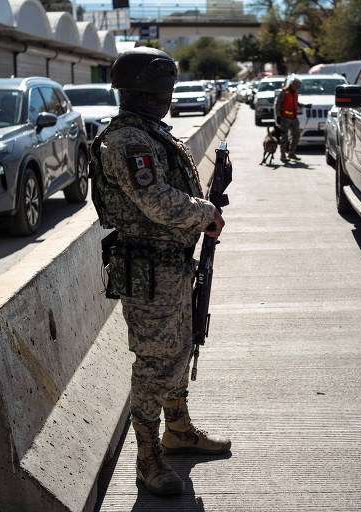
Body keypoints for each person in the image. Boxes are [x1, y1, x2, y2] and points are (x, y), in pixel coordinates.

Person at [91, 47, 231, 496]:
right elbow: (158, 203)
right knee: (155, 362)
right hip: (148, 273)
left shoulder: (148, 133)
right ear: (156, 89)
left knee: (181, 347)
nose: (170, 94)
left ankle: (178, 430)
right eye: (167, 87)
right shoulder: (129, 141)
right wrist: (206, 210)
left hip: (170, 267)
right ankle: (148, 457)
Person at [274, 77, 311, 162]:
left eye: (298, 86)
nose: (298, 87)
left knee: (296, 135)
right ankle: (283, 155)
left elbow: (295, 103)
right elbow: (278, 104)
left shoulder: (295, 93)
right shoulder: (284, 92)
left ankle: (291, 153)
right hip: (284, 118)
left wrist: (305, 106)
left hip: (294, 118)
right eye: (297, 86)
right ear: (293, 84)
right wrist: (278, 116)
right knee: (284, 137)